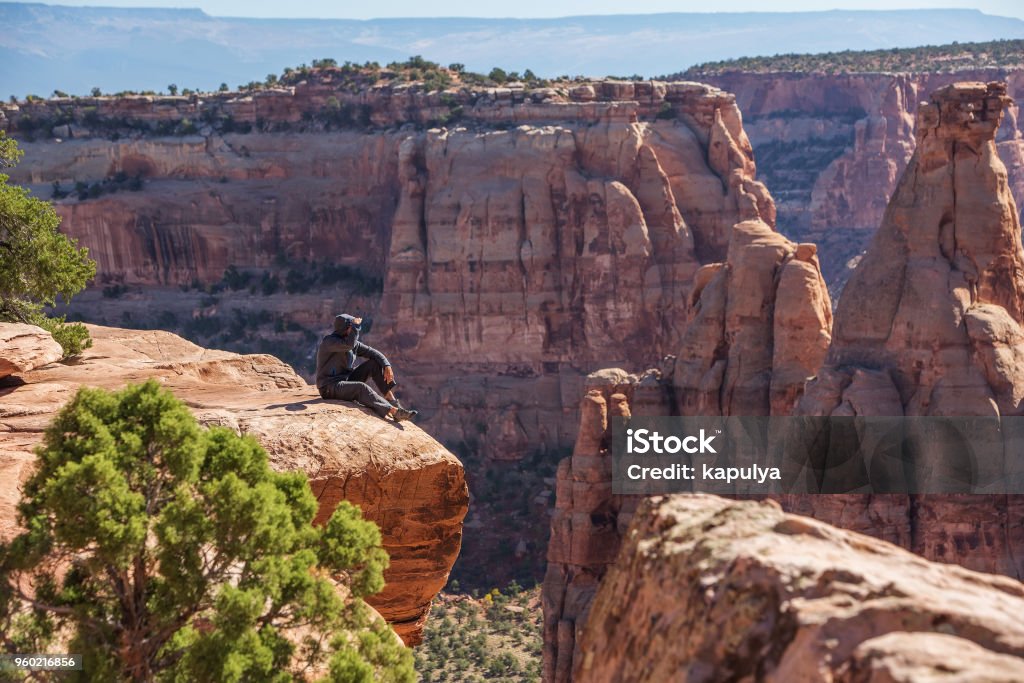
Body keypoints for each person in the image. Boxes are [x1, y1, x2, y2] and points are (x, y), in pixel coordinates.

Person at [315, 313, 417, 422]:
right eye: (351, 327)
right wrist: (356, 327)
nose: (354, 329)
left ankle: (393, 402)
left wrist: (387, 365)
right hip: (329, 387)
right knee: (361, 388)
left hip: (345, 381)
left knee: (373, 364)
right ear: (346, 328)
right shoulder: (329, 342)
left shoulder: (352, 344)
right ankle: (393, 411)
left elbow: (373, 352)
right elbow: (349, 345)